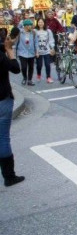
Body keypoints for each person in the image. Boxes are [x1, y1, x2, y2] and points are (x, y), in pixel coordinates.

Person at [0, 27, 24, 186]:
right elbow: (15, 68)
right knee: (2, 139)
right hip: (2, 99)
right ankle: (9, 176)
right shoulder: (2, 56)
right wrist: (9, 50)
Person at [15, 19, 36, 86]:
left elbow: (36, 43)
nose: (31, 27)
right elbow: (15, 42)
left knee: (31, 67)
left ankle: (29, 80)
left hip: (31, 52)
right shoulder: (20, 32)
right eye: (30, 25)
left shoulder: (33, 33)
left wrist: (37, 51)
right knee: (24, 67)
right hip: (22, 52)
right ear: (26, 26)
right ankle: (24, 78)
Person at [34, 18, 55, 84]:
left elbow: (51, 40)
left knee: (47, 64)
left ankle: (48, 77)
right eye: (39, 22)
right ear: (37, 23)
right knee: (39, 65)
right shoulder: (35, 31)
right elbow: (33, 41)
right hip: (38, 51)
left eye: (42, 22)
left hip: (47, 51)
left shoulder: (48, 31)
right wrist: (35, 50)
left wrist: (52, 48)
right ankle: (38, 74)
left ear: (44, 23)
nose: (40, 23)